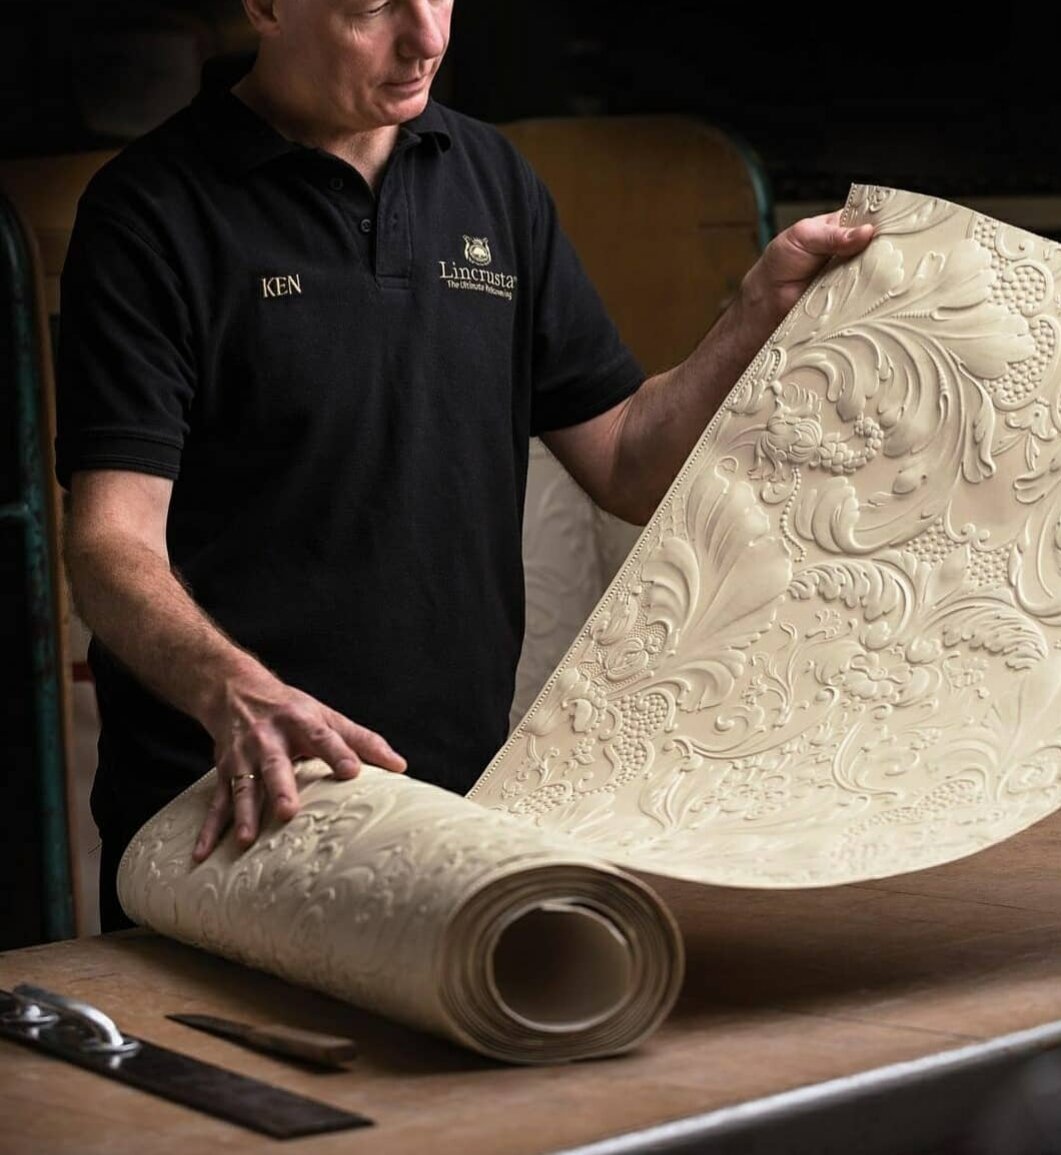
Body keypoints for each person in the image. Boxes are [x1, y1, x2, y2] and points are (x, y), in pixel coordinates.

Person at [56, 0, 874, 931]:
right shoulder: (150, 211)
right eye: (373, 7)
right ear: (267, 8)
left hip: (452, 803)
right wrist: (236, 694)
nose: (428, 39)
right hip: (229, 805)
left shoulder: (490, 178)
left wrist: (757, 312)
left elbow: (627, 463)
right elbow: (108, 545)